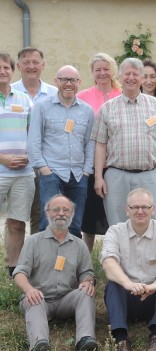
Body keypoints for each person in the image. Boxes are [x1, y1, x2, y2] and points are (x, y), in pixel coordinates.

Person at [100, 188, 156, 351]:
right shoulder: (114, 231)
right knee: (113, 284)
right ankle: (121, 340)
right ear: (126, 210)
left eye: (145, 207)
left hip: (154, 296)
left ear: (153, 209)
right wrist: (127, 283)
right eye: (135, 207)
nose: (140, 211)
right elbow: (108, 263)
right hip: (126, 297)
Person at [13, 195, 97, 351]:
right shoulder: (33, 242)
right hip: (40, 298)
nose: (61, 213)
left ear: (72, 214)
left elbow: (87, 272)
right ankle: (39, 346)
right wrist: (29, 290)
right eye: (56, 209)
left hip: (66, 299)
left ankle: (85, 341)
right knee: (34, 301)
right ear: (47, 213)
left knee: (86, 294)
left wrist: (88, 281)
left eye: (66, 210)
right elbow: (20, 273)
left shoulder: (79, 245)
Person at [91, 58, 156, 225]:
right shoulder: (107, 108)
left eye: (136, 74)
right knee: (117, 225)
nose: (131, 78)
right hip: (116, 176)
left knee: (151, 224)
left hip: (149, 175)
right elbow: (100, 145)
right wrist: (98, 177)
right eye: (127, 74)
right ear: (120, 77)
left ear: (142, 78)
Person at [28, 65, 95, 238]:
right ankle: (47, 264)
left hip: (79, 175)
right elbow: (34, 141)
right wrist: (44, 170)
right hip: (52, 173)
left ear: (79, 82)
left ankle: (70, 264)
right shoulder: (41, 108)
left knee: (74, 225)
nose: (68, 83)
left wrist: (87, 171)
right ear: (56, 81)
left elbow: (90, 143)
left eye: (72, 80)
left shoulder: (87, 111)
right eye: (64, 79)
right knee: (48, 223)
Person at [10, 47, 58, 251]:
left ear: (43, 65)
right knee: (16, 218)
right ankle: (15, 263)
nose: (31, 66)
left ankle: (38, 260)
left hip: (44, 166)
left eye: (35, 62)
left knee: (41, 215)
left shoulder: (54, 93)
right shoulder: (9, 91)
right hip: (15, 166)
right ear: (18, 66)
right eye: (26, 62)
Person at [77, 52, 122, 252]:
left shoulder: (122, 94)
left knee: (118, 214)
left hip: (119, 164)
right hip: (93, 164)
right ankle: (87, 259)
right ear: (92, 73)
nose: (103, 73)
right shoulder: (83, 97)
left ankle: (117, 255)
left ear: (113, 70)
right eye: (98, 70)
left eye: (106, 68)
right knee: (90, 216)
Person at [0, 52, 34, 277]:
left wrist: (30, 156)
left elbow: (34, 133)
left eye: (6, 68)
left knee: (17, 223)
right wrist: (2, 158)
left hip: (23, 172)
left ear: (13, 71)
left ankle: (14, 270)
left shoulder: (24, 99)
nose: (2, 72)